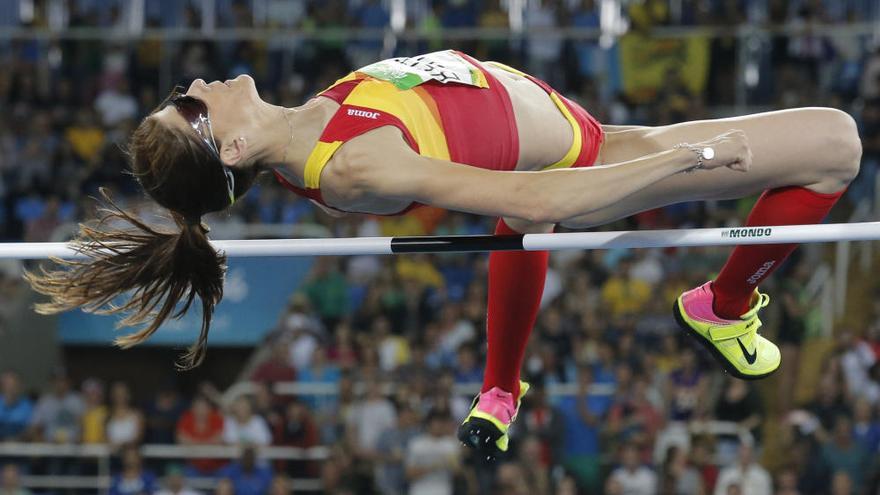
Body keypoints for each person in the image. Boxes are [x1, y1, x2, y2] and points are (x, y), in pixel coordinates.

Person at [25, 49, 862, 458]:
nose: (197, 86)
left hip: (581, 130)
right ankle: (722, 305)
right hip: (599, 160)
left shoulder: (311, 114)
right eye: (187, 105)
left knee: (830, 144)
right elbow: (534, 205)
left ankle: (511, 382)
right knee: (837, 145)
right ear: (232, 148)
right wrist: (684, 162)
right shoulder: (351, 163)